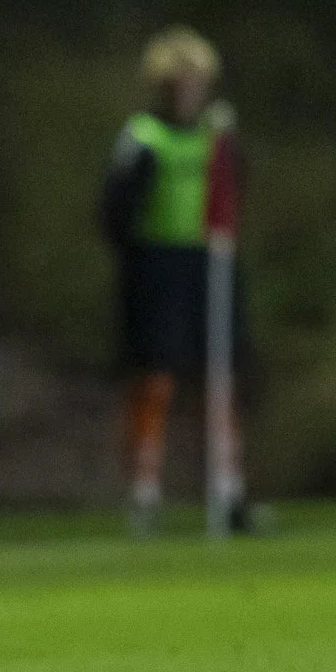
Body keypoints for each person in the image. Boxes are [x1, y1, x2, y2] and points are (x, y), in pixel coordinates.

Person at [100, 27, 250, 536]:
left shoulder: (218, 133)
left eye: (196, 80)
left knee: (221, 381)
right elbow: (115, 213)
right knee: (155, 381)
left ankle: (228, 491)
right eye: (177, 80)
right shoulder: (143, 136)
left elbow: (237, 192)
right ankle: (144, 494)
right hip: (158, 267)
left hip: (211, 261)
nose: (188, 89)